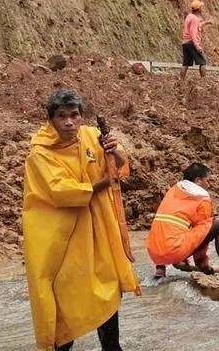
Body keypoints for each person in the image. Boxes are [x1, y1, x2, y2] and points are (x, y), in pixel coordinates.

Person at [23, 89, 140, 351]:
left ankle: (112, 347)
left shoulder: (91, 136)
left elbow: (120, 166)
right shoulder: (39, 154)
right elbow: (61, 191)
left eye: (74, 115)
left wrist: (115, 152)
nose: (68, 123)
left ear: (82, 116)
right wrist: (104, 183)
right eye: (61, 116)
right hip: (63, 238)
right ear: (50, 120)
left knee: (107, 287)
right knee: (66, 296)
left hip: (99, 230)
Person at [147, 163, 219, 279]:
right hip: (173, 251)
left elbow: (169, 227)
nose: (210, 184)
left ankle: (160, 270)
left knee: (167, 224)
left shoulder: (173, 190)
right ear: (198, 180)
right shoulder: (202, 196)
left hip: (154, 253)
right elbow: (203, 231)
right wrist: (202, 264)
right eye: (208, 180)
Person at [181, 0, 213, 80]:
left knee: (185, 64)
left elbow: (196, 26)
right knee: (203, 62)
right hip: (192, 43)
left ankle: (181, 81)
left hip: (185, 43)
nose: (202, 9)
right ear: (198, 9)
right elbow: (193, 33)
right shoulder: (195, 19)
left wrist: (206, 23)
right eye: (201, 7)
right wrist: (197, 46)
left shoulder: (189, 16)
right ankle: (203, 81)